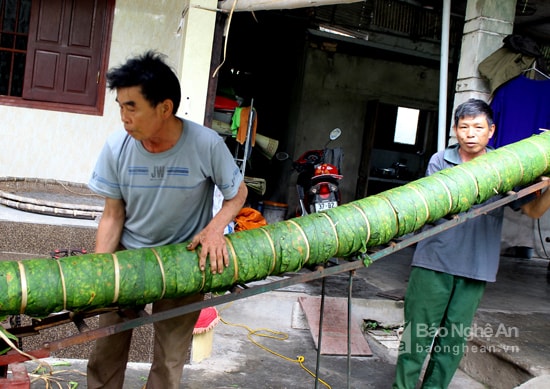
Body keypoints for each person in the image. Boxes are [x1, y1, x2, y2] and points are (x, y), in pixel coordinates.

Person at [86, 51, 247, 389]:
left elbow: (238, 193)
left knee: (170, 360)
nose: (124, 118)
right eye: (120, 107)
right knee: (105, 353)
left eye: (132, 107)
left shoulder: (205, 144)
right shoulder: (117, 147)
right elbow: (113, 215)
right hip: (128, 261)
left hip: (184, 263)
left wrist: (215, 229)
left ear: (164, 107)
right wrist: (100, 274)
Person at [392, 98, 550, 388]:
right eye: (464, 127)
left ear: (491, 131)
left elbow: (532, 211)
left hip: (476, 267)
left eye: (478, 127)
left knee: (452, 342)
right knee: (417, 336)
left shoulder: (506, 167)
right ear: (455, 130)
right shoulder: (441, 161)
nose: (471, 133)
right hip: (433, 262)